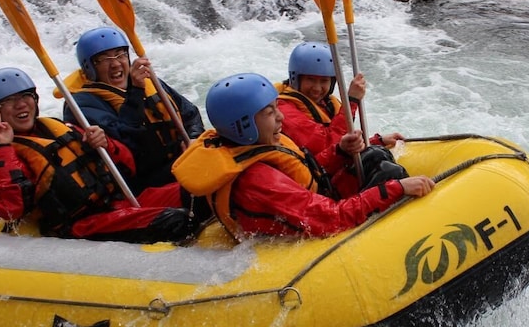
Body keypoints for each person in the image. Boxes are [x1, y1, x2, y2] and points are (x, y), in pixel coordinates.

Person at [172, 73, 435, 240]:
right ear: (243, 124)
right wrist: (396, 188)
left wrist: (341, 150)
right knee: (390, 176)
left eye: (277, 107)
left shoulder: (253, 143)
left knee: (374, 154)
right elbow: (331, 218)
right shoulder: (258, 180)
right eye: (269, 112)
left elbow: (307, 168)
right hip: (301, 233)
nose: (281, 117)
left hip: (311, 201)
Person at [0, 67, 199, 242]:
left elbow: (127, 164)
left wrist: (106, 144)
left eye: (25, 96)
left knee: (198, 190)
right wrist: (4, 147)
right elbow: (11, 208)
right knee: (175, 221)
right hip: (81, 224)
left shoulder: (59, 127)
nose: (21, 105)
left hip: (117, 203)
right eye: (8, 102)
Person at [58, 26, 204, 193]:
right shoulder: (81, 106)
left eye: (121, 55)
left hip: (179, 160)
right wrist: (136, 93)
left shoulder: (150, 82)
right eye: (104, 59)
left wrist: (193, 137)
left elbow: (189, 113)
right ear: (89, 67)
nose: (115, 64)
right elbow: (127, 144)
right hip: (141, 183)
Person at [276, 41, 404, 155]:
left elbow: (343, 145)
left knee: (378, 155)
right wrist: (351, 101)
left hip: (328, 167)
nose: (317, 88)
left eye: (324, 81)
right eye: (310, 79)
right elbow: (327, 144)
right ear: (296, 78)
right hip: (315, 176)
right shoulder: (284, 110)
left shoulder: (327, 103)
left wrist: (377, 141)